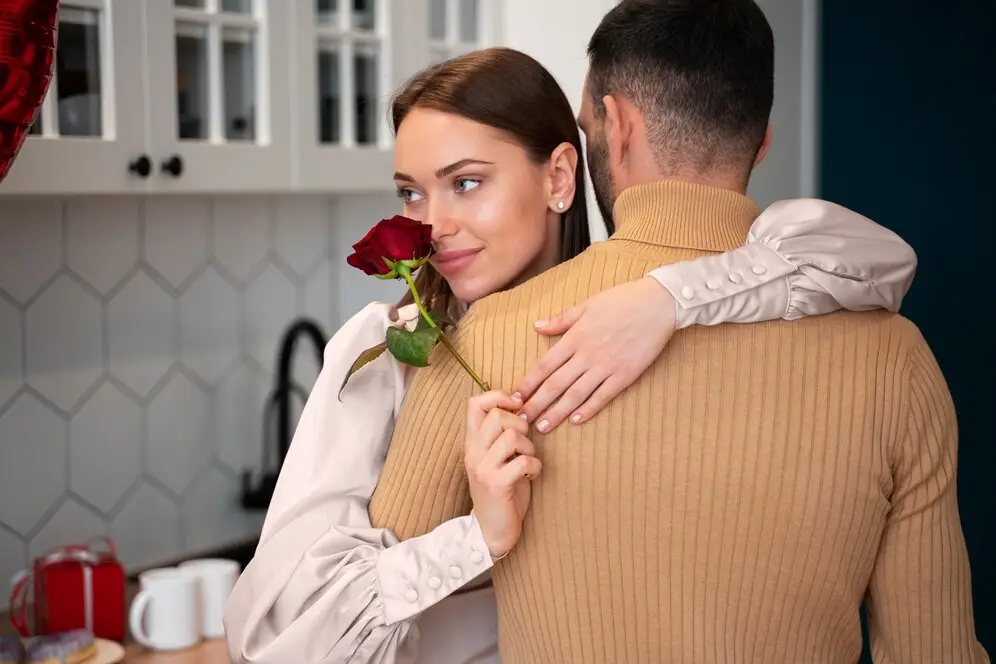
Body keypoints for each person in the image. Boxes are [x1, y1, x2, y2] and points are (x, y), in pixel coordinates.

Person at [224, 48, 919, 664]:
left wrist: (668, 300)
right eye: (412, 192)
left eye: (466, 182)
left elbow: (871, 258)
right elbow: (284, 637)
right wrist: (477, 538)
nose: (431, 224)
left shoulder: (628, 319)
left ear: (560, 177)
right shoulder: (390, 351)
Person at [368, 3, 989, 664]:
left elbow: (362, 603)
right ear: (763, 141)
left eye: (586, 127)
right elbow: (934, 652)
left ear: (619, 124)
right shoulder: (897, 358)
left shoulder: (484, 338)